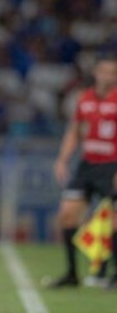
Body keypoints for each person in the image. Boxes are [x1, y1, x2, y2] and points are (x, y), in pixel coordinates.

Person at [49, 55, 117, 289]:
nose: (107, 76)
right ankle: (71, 274)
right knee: (67, 214)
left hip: (113, 165)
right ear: (96, 73)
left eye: (112, 72)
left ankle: (114, 277)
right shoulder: (84, 98)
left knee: (114, 222)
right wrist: (62, 160)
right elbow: (74, 132)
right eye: (104, 71)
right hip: (87, 165)